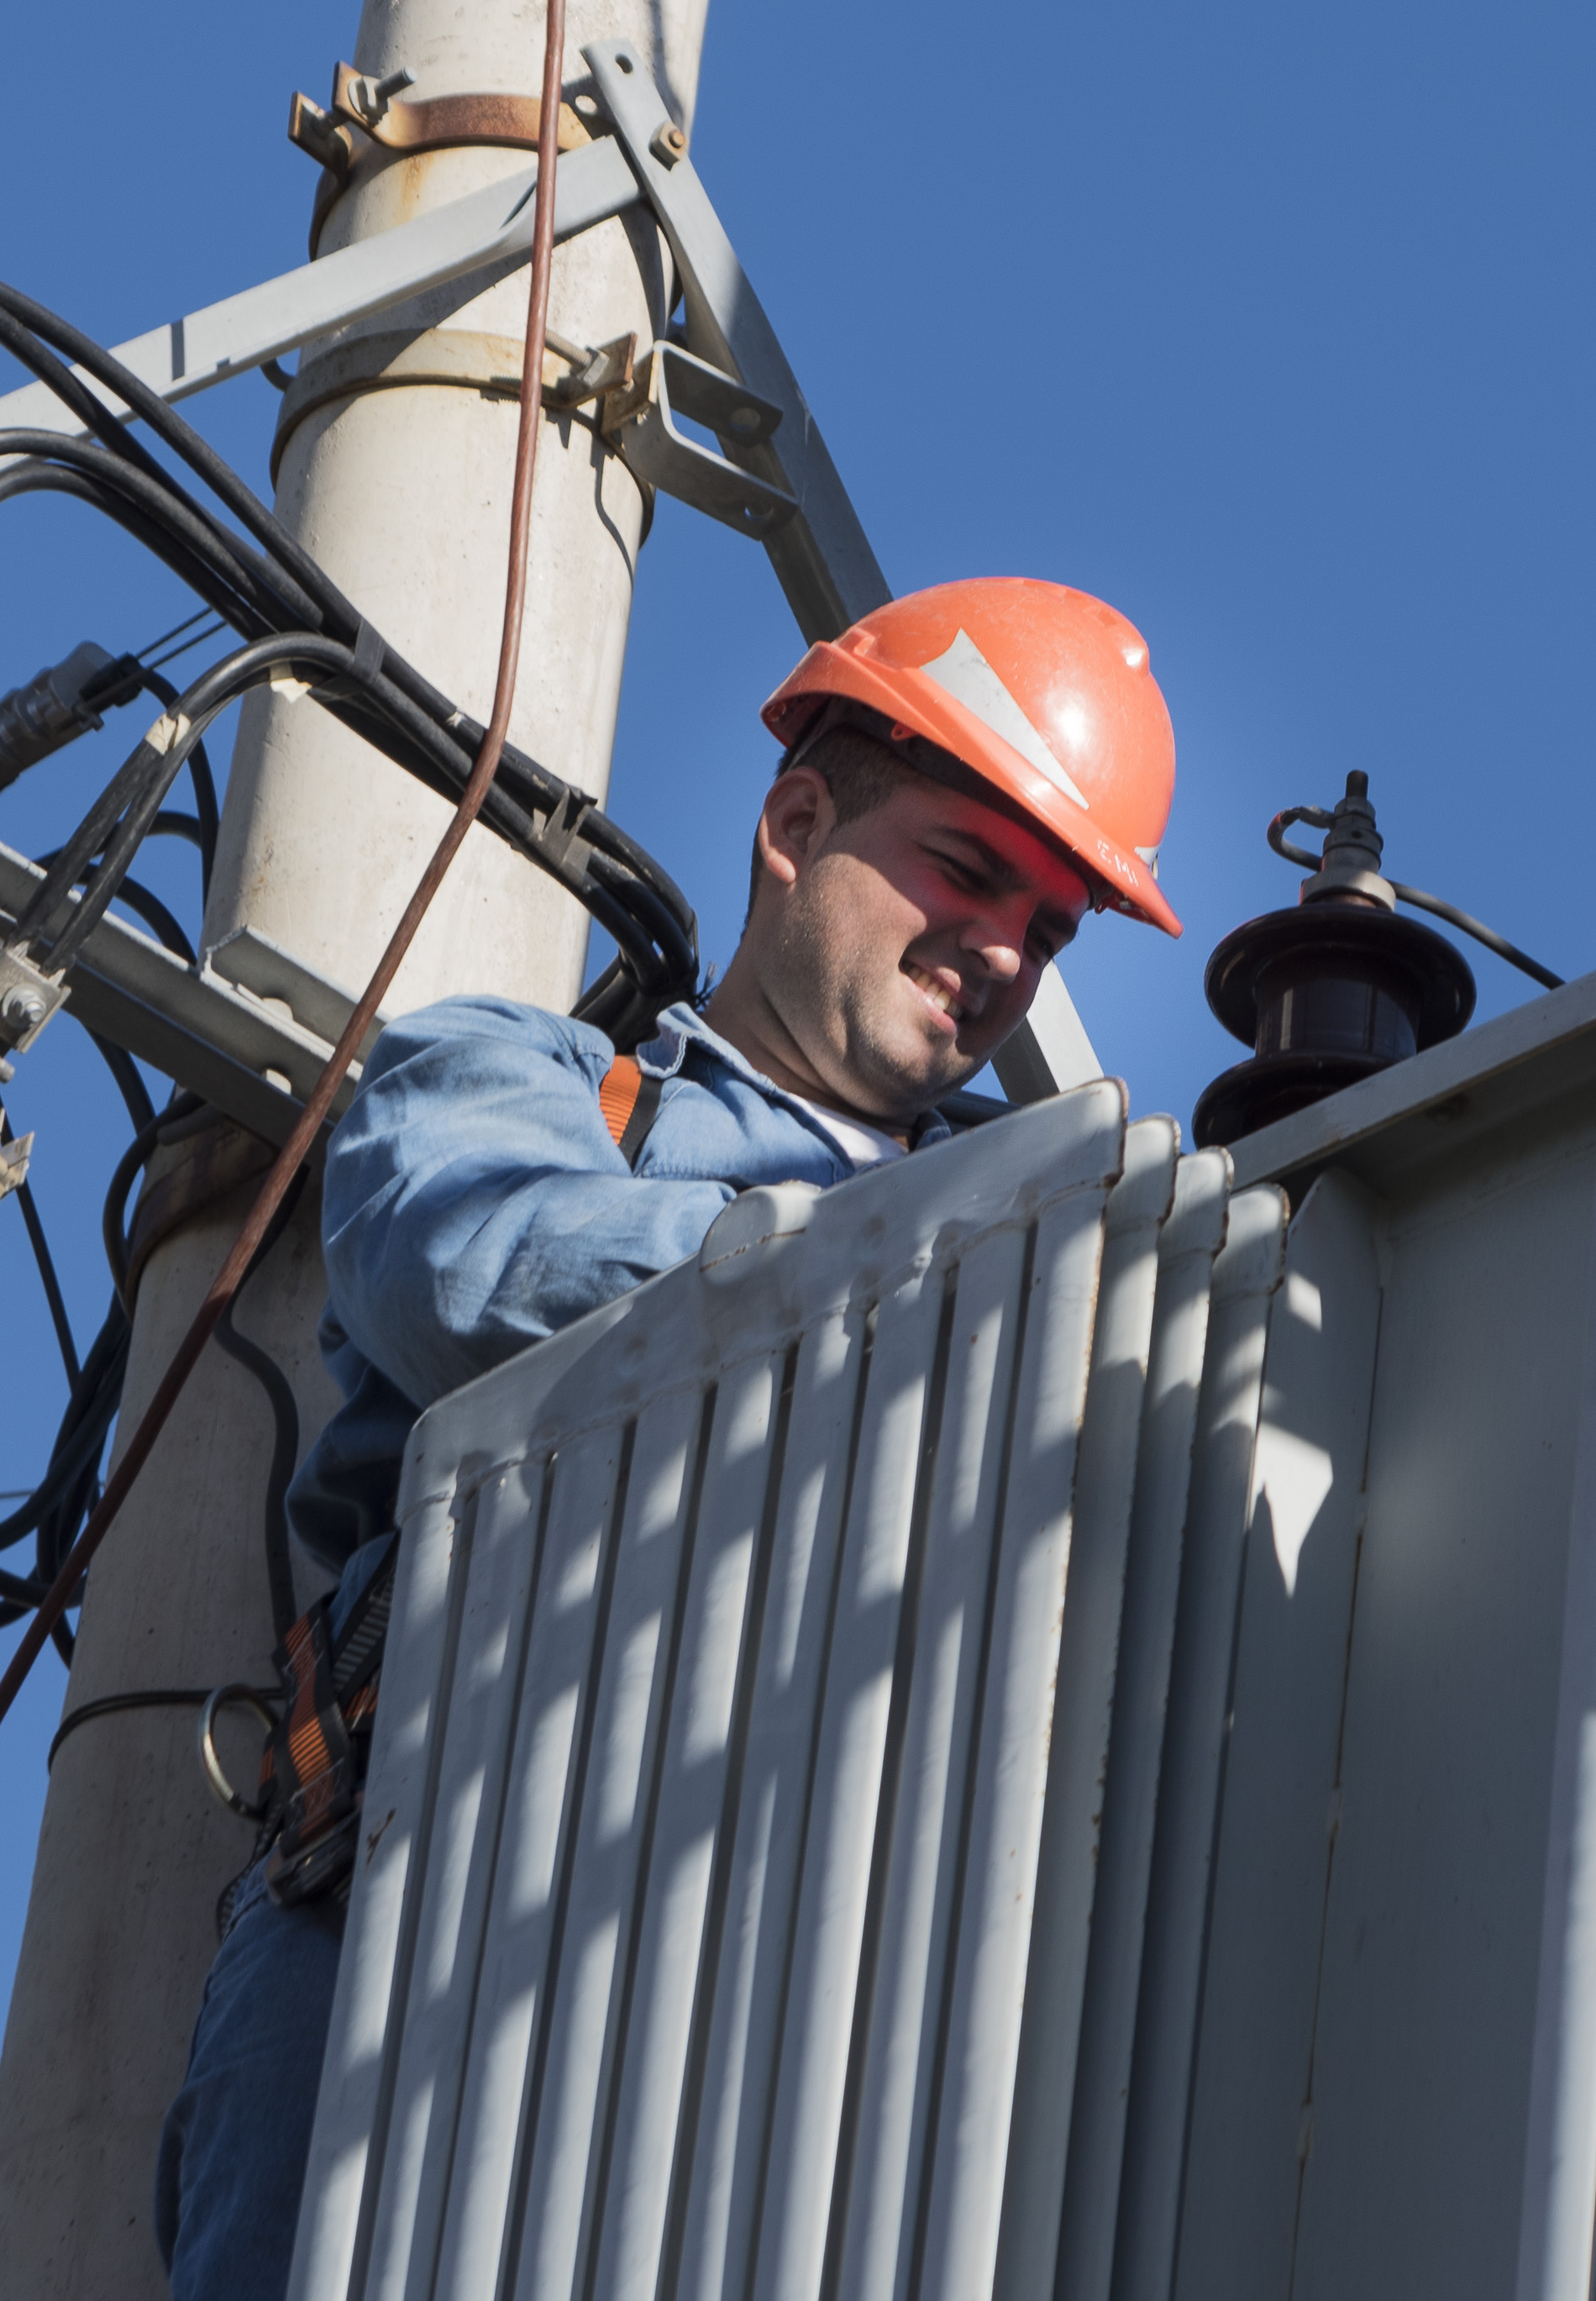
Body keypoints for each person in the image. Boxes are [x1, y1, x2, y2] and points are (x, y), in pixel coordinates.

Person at [151, 577, 1183, 2301]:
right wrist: (903, 1274)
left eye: (1050, 927)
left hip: (821, 1979)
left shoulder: (1037, 1264)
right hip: (411, 1927)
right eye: (966, 867)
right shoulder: (535, 1092)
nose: (1005, 951)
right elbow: (464, 1273)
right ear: (795, 823)